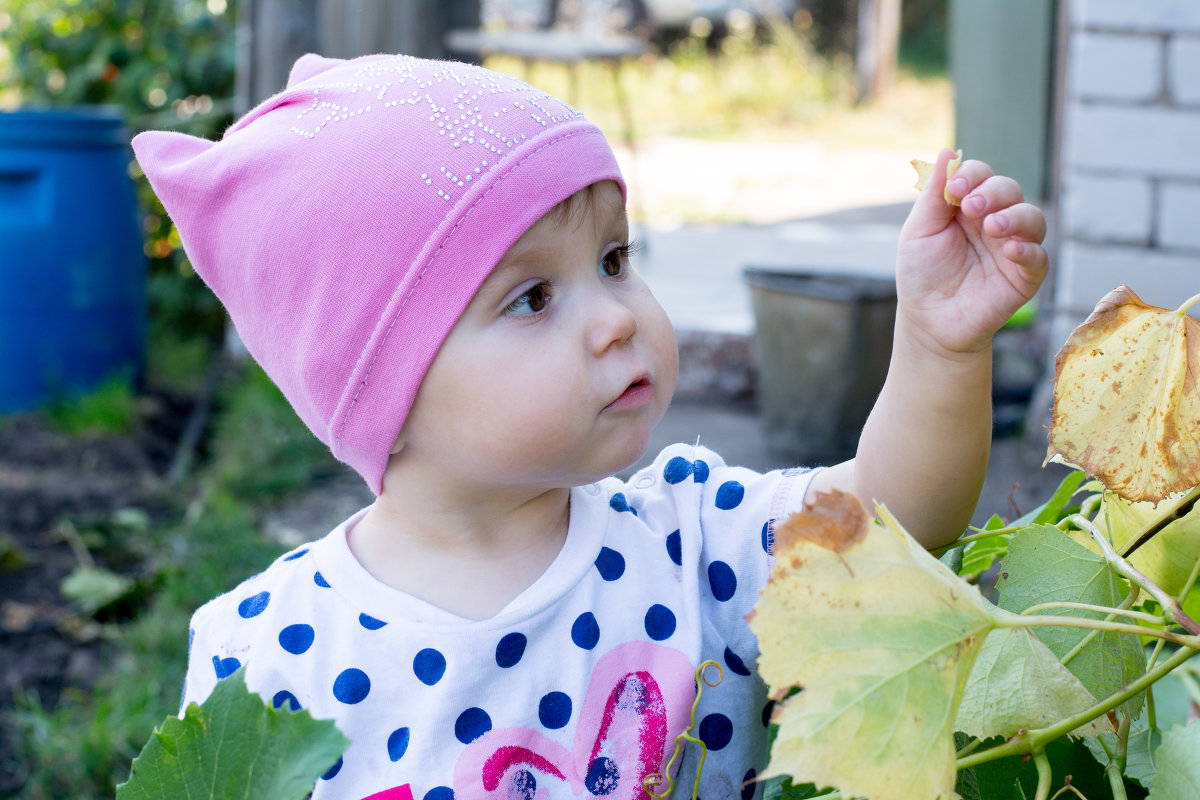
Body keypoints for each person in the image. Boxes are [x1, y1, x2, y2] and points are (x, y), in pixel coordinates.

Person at [132, 53, 1048, 800]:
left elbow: (894, 519)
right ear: (379, 388)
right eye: (532, 297)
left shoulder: (693, 542)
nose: (616, 317)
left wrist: (938, 348)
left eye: (614, 259)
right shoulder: (265, 651)